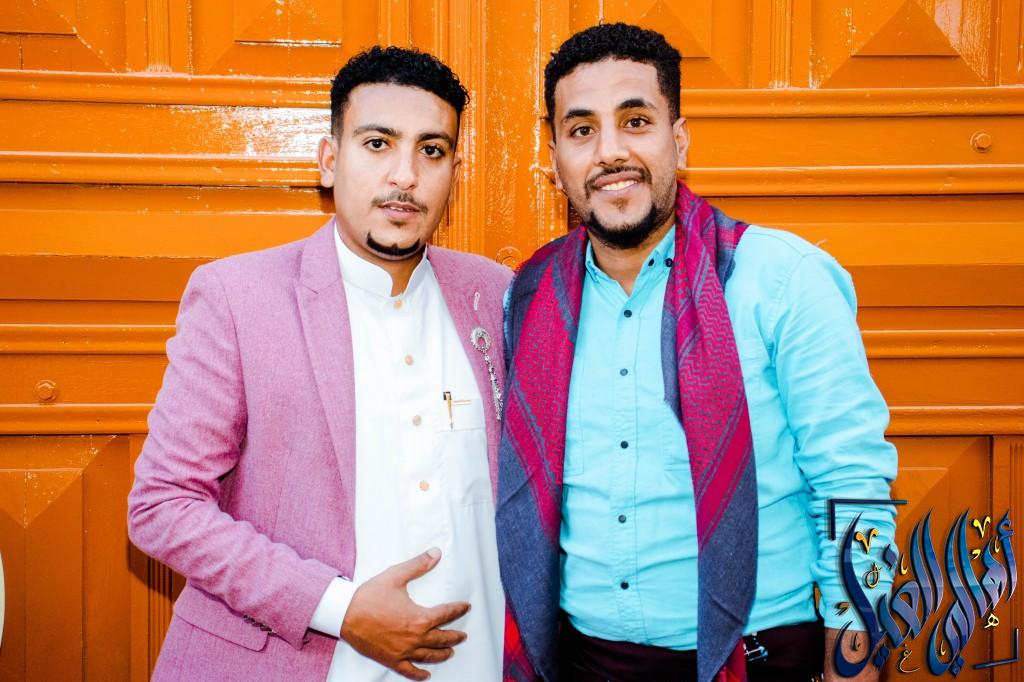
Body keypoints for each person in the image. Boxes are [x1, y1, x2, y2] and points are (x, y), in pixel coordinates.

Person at [497, 23, 897, 682]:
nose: (610, 152)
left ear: (678, 140)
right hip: (586, 662)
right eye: (582, 129)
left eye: (635, 121)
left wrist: (855, 660)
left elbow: (852, 486)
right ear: (555, 155)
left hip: (760, 658)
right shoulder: (532, 297)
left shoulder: (782, 280)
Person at [128, 45, 511, 682]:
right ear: (330, 161)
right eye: (378, 144)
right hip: (295, 664)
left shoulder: (496, 295)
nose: (406, 175)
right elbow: (163, 505)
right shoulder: (237, 298)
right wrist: (338, 608)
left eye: (432, 150)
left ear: (454, 171)